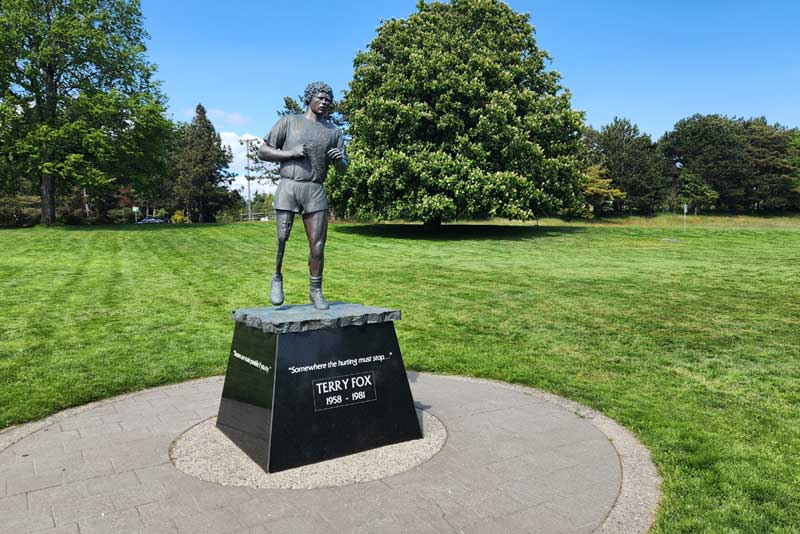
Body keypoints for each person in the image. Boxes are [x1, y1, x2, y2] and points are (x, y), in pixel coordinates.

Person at [257, 82, 347, 310]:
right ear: (309, 99)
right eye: (320, 98)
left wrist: (339, 161)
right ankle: (277, 277)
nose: (325, 102)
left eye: (328, 100)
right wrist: (290, 153)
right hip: (289, 185)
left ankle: (316, 290)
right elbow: (262, 151)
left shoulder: (334, 132)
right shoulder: (289, 121)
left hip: (314, 188)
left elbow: (343, 169)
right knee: (282, 238)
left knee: (318, 245)